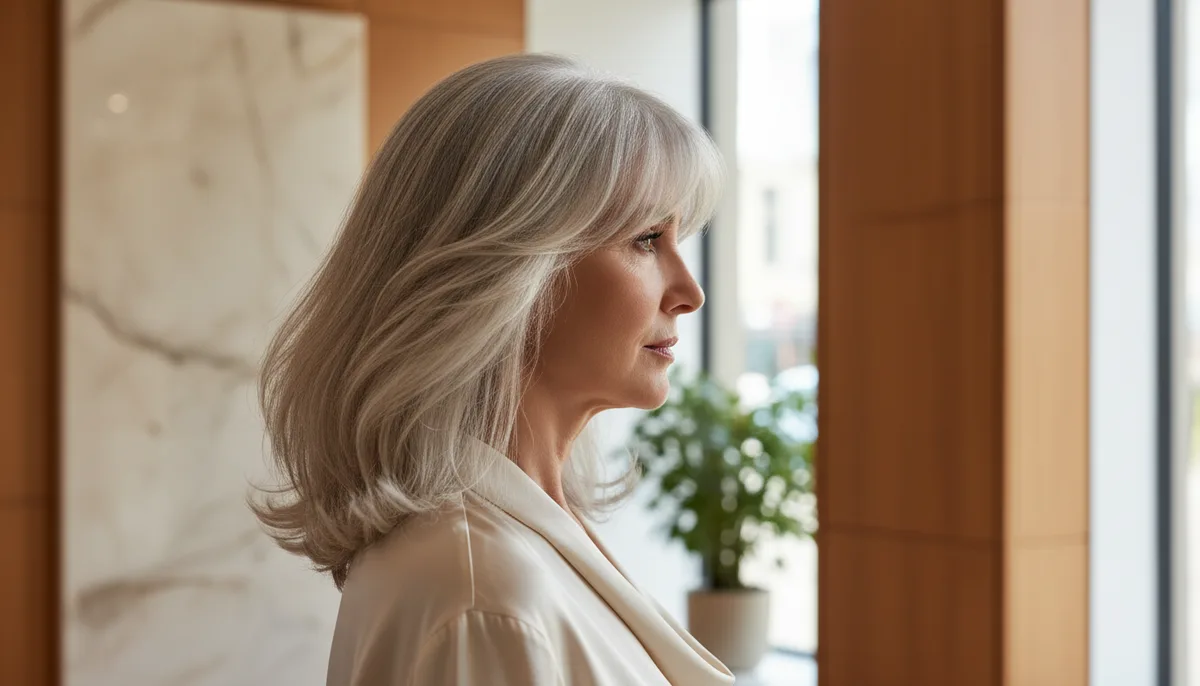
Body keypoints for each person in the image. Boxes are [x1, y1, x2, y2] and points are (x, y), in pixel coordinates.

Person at [249, 53, 734, 686]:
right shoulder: (482, 594)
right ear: (508, 270)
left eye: (680, 240)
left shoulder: (509, 550)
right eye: (646, 239)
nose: (691, 292)